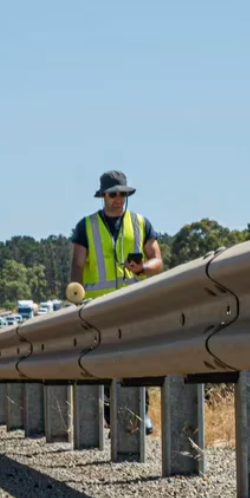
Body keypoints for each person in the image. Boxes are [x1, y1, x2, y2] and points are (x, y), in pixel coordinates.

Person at [70, 170, 164, 434]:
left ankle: (140, 413)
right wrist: (76, 297)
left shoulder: (141, 223)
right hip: (98, 309)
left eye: (123, 194)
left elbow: (157, 261)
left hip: (133, 306)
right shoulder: (85, 226)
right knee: (106, 362)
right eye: (113, 194)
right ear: (103, 196)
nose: (118, 199)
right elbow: (77, 264)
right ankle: (114, 418)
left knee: (137, 360)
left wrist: (142, 267)